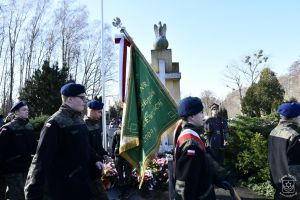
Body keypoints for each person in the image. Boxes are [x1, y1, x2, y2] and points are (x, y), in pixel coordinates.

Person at [24, 83, 104, 200]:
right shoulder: (55, 123)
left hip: (82, 183)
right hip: (64, 188)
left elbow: (85, 145)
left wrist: (95, 159)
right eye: (82, 98)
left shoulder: (79, 119)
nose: (85, 101)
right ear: (70, 99)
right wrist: (33, 193)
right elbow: (41, 159)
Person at [174, 96, 232, 200]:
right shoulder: (190, 142)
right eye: (200, 112)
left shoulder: (193, 135)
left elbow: (205, 160)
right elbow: (185, 182)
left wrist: (219, 178)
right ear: (191, 116)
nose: (203, 116)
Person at [0, 100, 37, 200]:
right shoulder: (8, 129)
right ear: (16, 112)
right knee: (18, 196)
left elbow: (34, 147)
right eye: (24, 109)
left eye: (27, 110)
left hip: (26, 168)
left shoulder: (29, 127)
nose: (27, 111)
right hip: (12, 170)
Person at [268, 102, 300, 200]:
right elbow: (295, 165)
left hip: (277, 181)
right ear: (296, 116)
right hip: (292, 187)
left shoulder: (274, 131)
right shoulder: (294, 135)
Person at [85, 99, 109, 200]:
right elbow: (86, 147)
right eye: (99, 112)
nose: (100, 115)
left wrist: (104, 154)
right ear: (92, 111)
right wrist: (96, 159)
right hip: (88, 169)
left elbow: (98, 145)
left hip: (96, 167)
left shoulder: (96, 124)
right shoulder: (83, 126)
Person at [111, 123, 132, 198]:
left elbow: (113, 146)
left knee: (124, 175)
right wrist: (113, 157)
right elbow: (113, 145)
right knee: (125, 175)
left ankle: (125, 192)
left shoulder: (117, 132)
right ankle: (125, 192)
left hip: (122, 156)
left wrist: (113, 156)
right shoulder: (118, 132)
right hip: (123, 156)